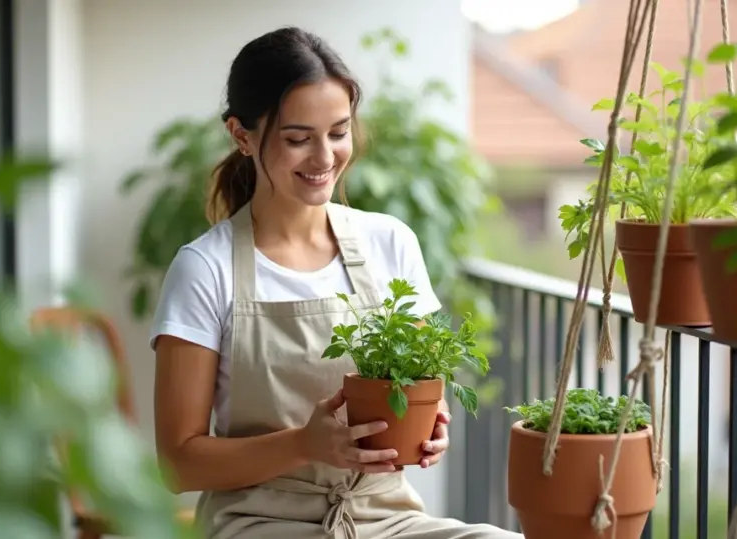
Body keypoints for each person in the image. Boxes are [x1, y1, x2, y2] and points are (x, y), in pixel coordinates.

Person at [151, 26, 523, 539]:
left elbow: (420, 388)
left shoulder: (390, 242)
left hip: (386, 518)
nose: (325, 158)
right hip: (259, 521)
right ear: (241, 136)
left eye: (338, 132)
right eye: (298, 139)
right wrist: (302, 445)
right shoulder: (205, 269)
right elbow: (178, 464)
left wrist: (430, 421)